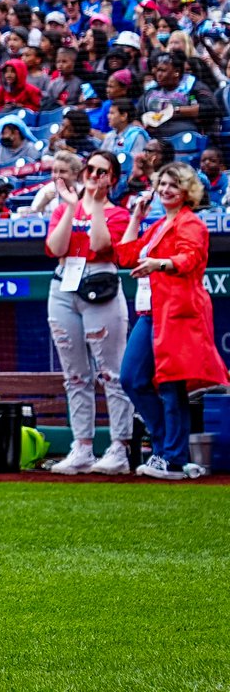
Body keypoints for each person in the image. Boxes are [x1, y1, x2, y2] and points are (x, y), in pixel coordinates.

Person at [115, 163, 229, 479]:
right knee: (132, 378)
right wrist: (136, 217)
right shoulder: (157, 225)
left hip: (177, 313)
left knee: (171, 385)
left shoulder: (191, 223)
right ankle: (167, 449)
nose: (165, 189)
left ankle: (174, 458)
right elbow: (125, 255)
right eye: (162, 184)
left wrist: (159, 264)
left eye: (173, 185)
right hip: (152, 313)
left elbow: (188, 258)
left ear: (187, 191)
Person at [43, 151, 135, 475]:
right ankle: (82, 446)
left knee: (111, 372)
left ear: (112, 178)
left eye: (102, 171)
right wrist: (71, 207)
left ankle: (119, 447)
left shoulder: (119, 213)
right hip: (64, 285)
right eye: (91, 169)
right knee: (75, 375)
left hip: (100, 286)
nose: (94, 175)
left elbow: (100, 245)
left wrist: (95, 205)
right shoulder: (65, 207)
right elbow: (55, 248)